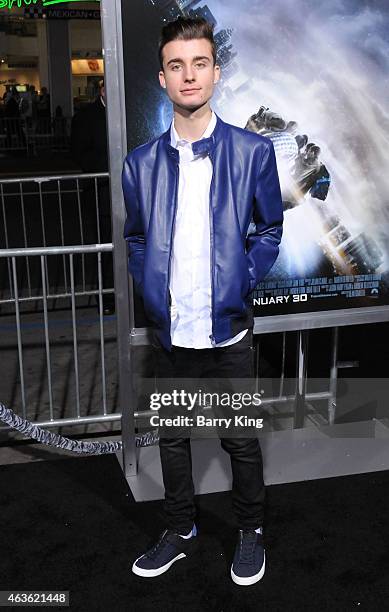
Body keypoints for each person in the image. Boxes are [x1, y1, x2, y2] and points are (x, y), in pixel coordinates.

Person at [122, 17, 283, 585]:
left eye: (199, 63)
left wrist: (242, 281)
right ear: (163, 78)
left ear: (215, 71)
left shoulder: (253, 152)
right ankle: (180, 525)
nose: (188, 75)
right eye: (175, 65)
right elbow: (138, 239)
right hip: (171, 335)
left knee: (240, 440)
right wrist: (151, 291)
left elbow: (269, 231)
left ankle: (250, 531)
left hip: (229, 333)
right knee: (172, 437)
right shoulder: (139, 164)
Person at [71, 79, 114, 315]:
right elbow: (78, 153)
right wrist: (113, 166)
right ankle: (107, 298)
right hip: (100, 194)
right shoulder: (85, 117)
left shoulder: (125, 111)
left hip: (130, 194)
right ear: (103, 90)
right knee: (106, 249)